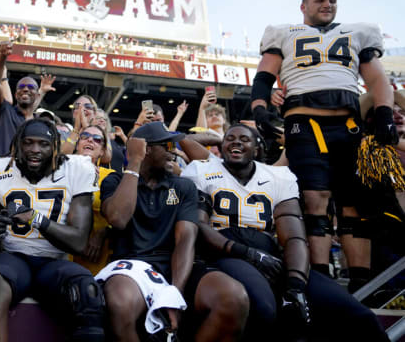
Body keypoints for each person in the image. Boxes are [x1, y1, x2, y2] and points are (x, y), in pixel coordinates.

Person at [250, 0, 397, 291]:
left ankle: (361, 280)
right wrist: (259, 108)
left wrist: (383, 112)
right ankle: (320, 278)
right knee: (315, 199)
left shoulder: (357, 33)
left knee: (354, 204)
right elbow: (264, 75)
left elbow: (377, 78)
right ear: (303, 6)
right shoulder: (285, 33)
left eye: (332, 0)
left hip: (348, 125)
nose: (328, 4)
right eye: (320, 0)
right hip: (304, 124)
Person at [181, 124, 389, 341]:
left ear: (258, 149)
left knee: (354, 312)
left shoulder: (277, 176)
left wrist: (296, 284)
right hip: (225, 249)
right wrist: (247, 253)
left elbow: (294, 237)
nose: (236, 142)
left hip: (269, 252)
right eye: (230, 139)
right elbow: (199, 226)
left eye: (244, 139)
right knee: (263, 307)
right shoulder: (203, 169)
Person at [97, 122, 249, 342]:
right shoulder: (117, 180)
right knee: (119, 304)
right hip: (134, 266)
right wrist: (135, 164)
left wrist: (174, 293)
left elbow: (185, 240)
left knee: (234, 297)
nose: (173, 151)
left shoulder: (182, 186)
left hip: (176, 265)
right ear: (146, 149)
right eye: (167, 145)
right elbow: (118, 219)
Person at [0, 118, 106, 342]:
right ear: (17, 144)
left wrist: (35, 218)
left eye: (43, 144)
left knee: (88, 290)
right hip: (12, 258)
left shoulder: (77, 168)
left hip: (53, 262)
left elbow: (78, 242)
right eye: (28, 142)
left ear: (55, 146)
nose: (34, 150)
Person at [72, 124, 116, 274]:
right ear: (78, 144)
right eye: (85, 136)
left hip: (96, 259)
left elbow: (122, 217)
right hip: (62, 253)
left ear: (103, 151)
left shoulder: (111, 177)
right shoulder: (59, 170)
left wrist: (104, 232)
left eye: (97, 139)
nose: (90, 140)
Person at [0, 41, 39, 156]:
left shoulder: (40, 123)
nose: (25, 89)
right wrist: (2, 55)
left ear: (38, 95)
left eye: (31, 87)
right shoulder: (4, 112)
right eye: (21, 87)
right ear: (16, 95)